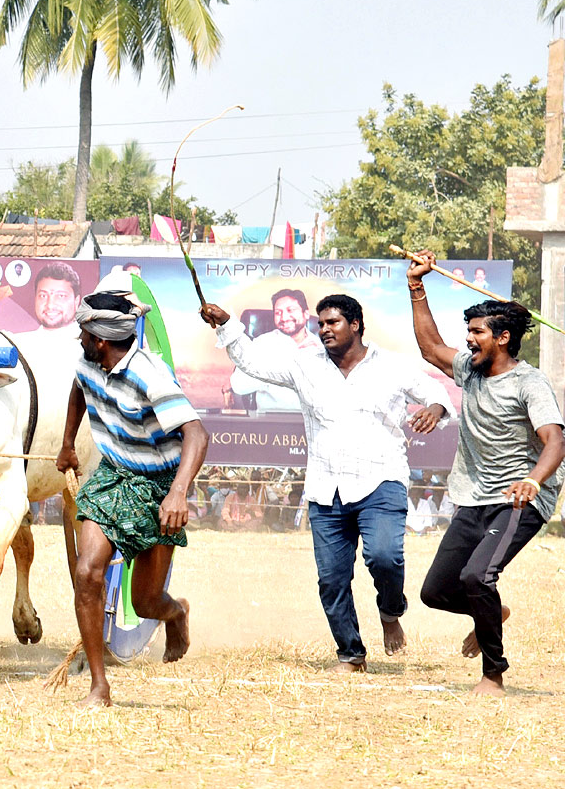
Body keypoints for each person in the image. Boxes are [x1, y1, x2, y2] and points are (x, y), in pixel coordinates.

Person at [201, 293, 453, 672]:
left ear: (355, 324)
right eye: (320, 324)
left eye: (332, 322)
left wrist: (434, 409)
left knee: (384, 556)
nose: (324, 330)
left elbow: (436, 392)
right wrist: (226, 324)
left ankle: (389, 612)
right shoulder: (304, 364)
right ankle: (351, 654)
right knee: (332, 579)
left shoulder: (391, 366)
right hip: (325, 485)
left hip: (381, 478)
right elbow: (251, 362)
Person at [407, 251, 565, 696]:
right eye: (469, 332)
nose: (469, 340)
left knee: (477, 577)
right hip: (474, 496)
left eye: (477, 333)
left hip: (521, 498)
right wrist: (416, 287)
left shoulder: (529, 383)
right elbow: (430, 347)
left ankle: (493, 675)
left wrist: (533, 480)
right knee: (436, 592)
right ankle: (490, 612)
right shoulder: (470, 371)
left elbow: (556, 440)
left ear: (503, 337)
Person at [57, 291, 208, 707]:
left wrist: (178, 494)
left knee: (145, 602)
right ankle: (99, 686)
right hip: (113, 477)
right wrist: (68, 443)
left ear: (101, 339)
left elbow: (196, 432)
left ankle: (176, 613)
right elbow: (78, 387)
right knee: (88, 571)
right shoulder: (88, 361)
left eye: (84, 331)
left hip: (159, 487)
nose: (79, 337)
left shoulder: (150, 375)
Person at [228, 289, 320, 412]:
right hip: (271, 423)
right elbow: (238, 386)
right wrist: (283, 364)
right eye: (278, 313)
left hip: (317, 423)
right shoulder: (262, 344)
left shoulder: (323, 347)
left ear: (306, 314)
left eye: (290, 310)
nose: (284, 317)